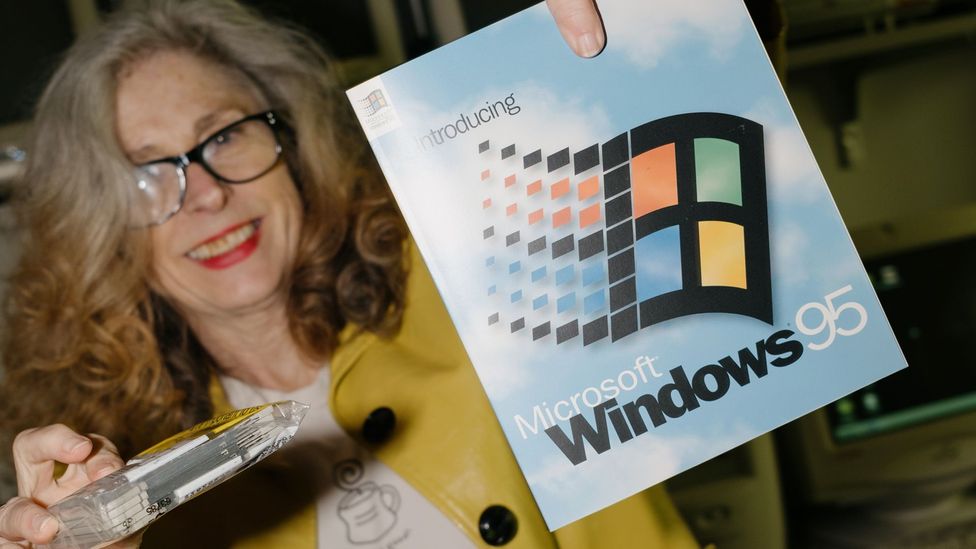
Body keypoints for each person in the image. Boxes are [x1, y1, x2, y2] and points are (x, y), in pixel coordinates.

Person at [0, 0, 783, 546]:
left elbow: (701, 138)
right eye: (145, 176)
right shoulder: (134, 484)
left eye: (226, 137)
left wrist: (654, 19)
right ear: (97, 227)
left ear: (295, 138)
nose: (205, 192)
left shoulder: (478, 264)